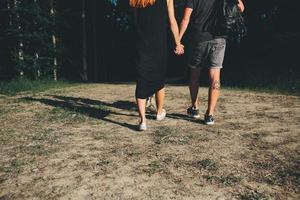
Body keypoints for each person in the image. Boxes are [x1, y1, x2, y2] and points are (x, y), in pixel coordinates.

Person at [179, 0, 244, 125]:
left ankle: (195, 107)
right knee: (215, 76)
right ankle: (210, 115)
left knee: (194, 75)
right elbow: (241, 8)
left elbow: (185, 18)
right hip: (219, 39)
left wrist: (178, 39)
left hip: (199, 39)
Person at [130, 0, 184, 131]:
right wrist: (178, 42)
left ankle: (143, 121)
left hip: (141, 43)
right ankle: (159, 113)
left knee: (141, 80)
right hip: (159, 44)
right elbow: (172, 21)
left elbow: (135, 21)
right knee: (159, 79)